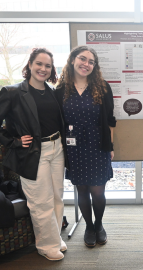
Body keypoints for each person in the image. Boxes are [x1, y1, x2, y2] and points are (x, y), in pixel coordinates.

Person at [0, 48, 68, 261]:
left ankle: (55, 237)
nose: (43, 69)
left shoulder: (52, 91)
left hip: (57, 148)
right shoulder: (12, 93)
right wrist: (13, 141)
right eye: (39, 63)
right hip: (32, 152)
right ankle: (46, 245)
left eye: (48, 65)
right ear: (29, 64)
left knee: (57, 196)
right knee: (41, 200)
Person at [55, 45, 116, 248]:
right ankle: (89, 226)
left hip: (98, 145)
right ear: (73, 60)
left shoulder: (103, 87)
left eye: (91, 62)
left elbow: (110, 121)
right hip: (74, 148)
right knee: (82, 190)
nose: (86, 64)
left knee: (98, 191)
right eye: (82, 59)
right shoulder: (61, 89)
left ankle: (99, 225)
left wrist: (111, 146)